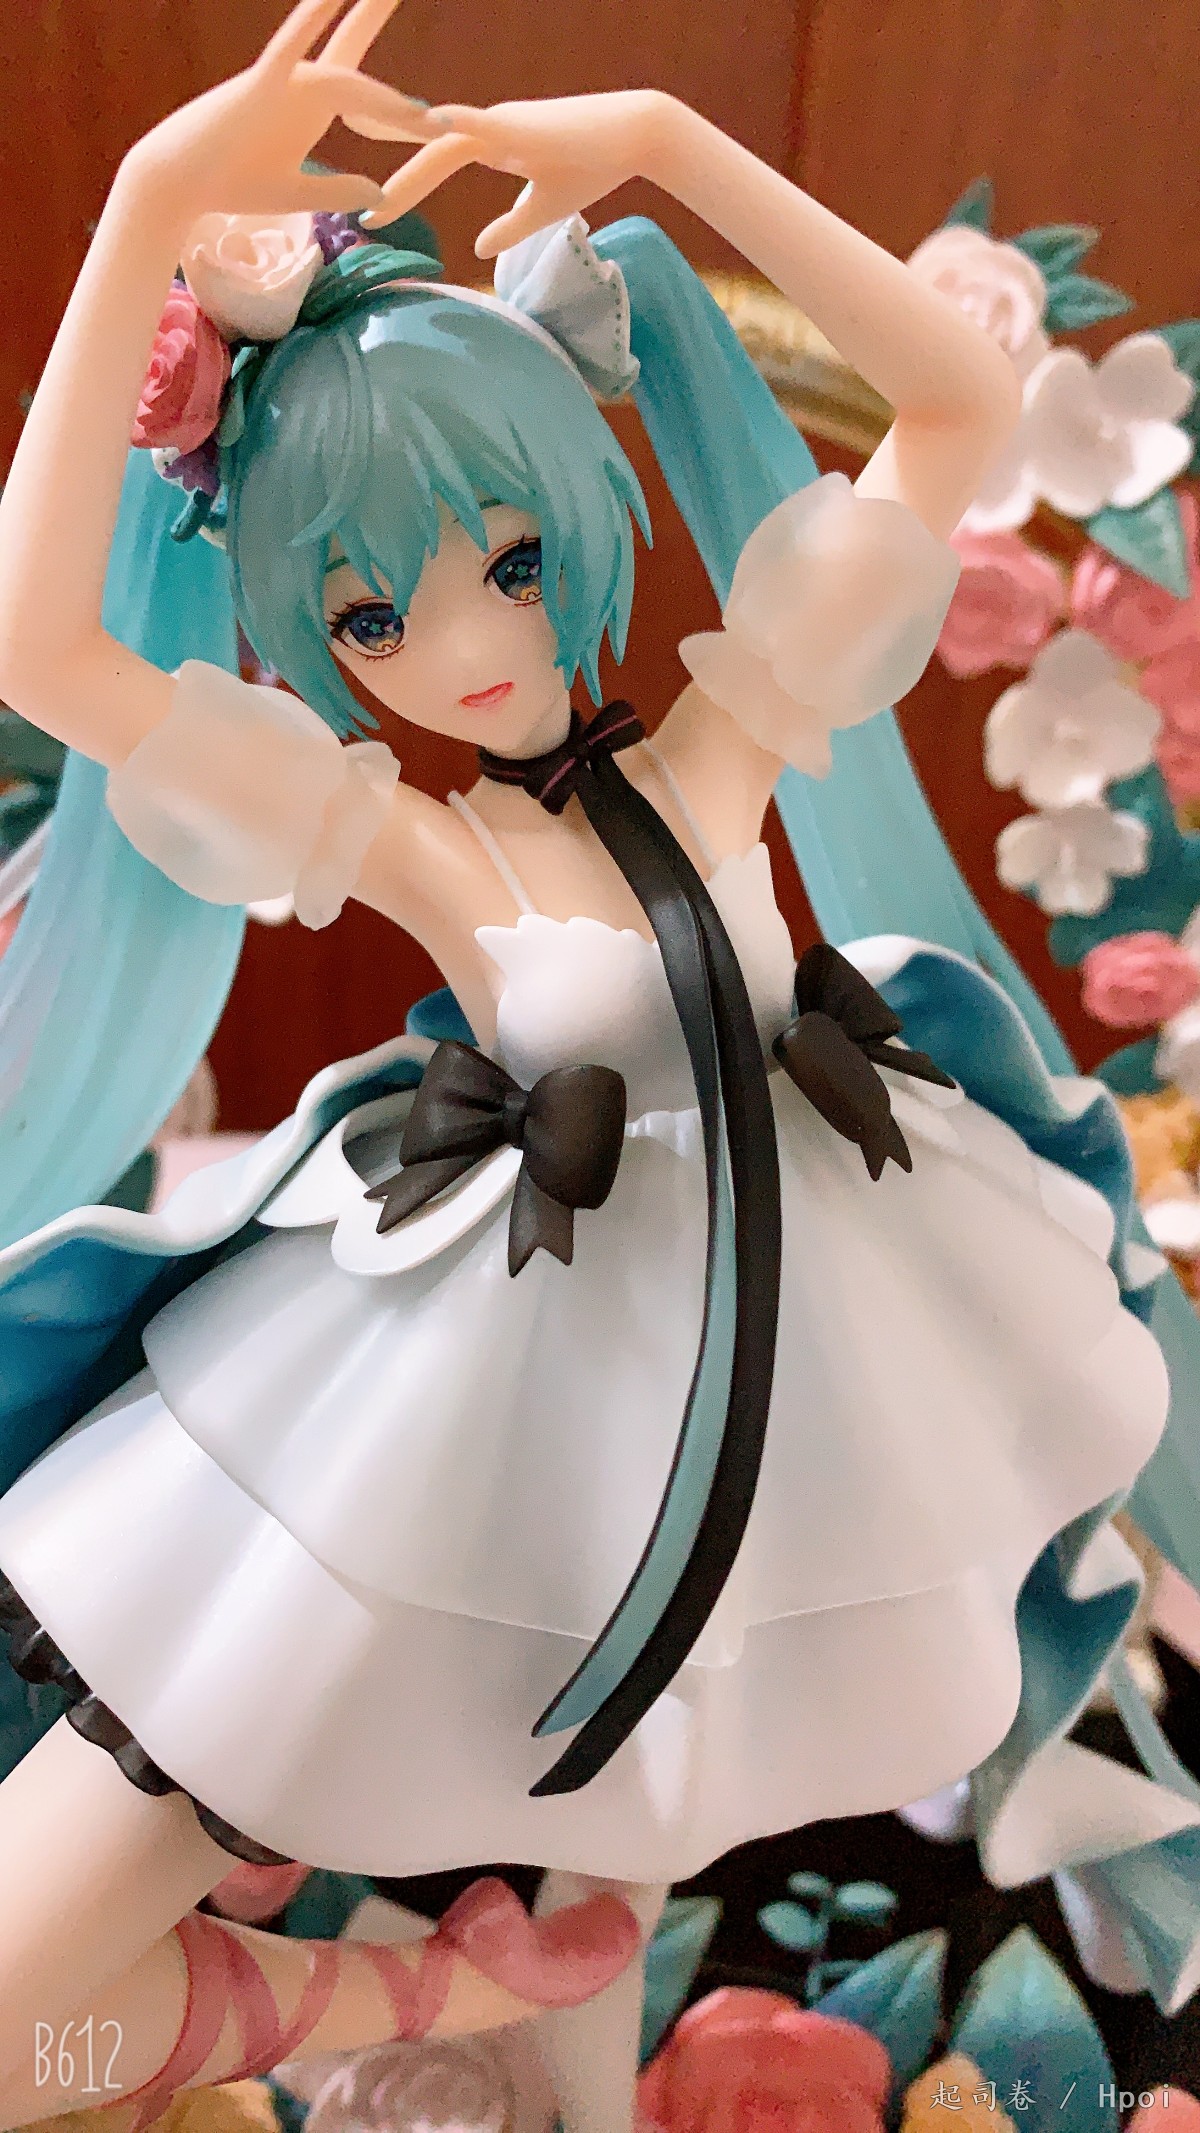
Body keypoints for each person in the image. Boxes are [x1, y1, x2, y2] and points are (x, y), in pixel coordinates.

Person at [0, 1, 1181, 2126]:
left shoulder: (731, 744)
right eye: (370, 622)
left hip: (788, 1362)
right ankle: (401, 1992)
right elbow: (41, 648)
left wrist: (667, 140)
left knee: (637, 1814)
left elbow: (955, 395)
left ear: (577, 509)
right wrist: (149, 203)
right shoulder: (417, 841)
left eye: (513, 559)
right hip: (473, 1382)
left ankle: (539, 2027)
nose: (464, 645)